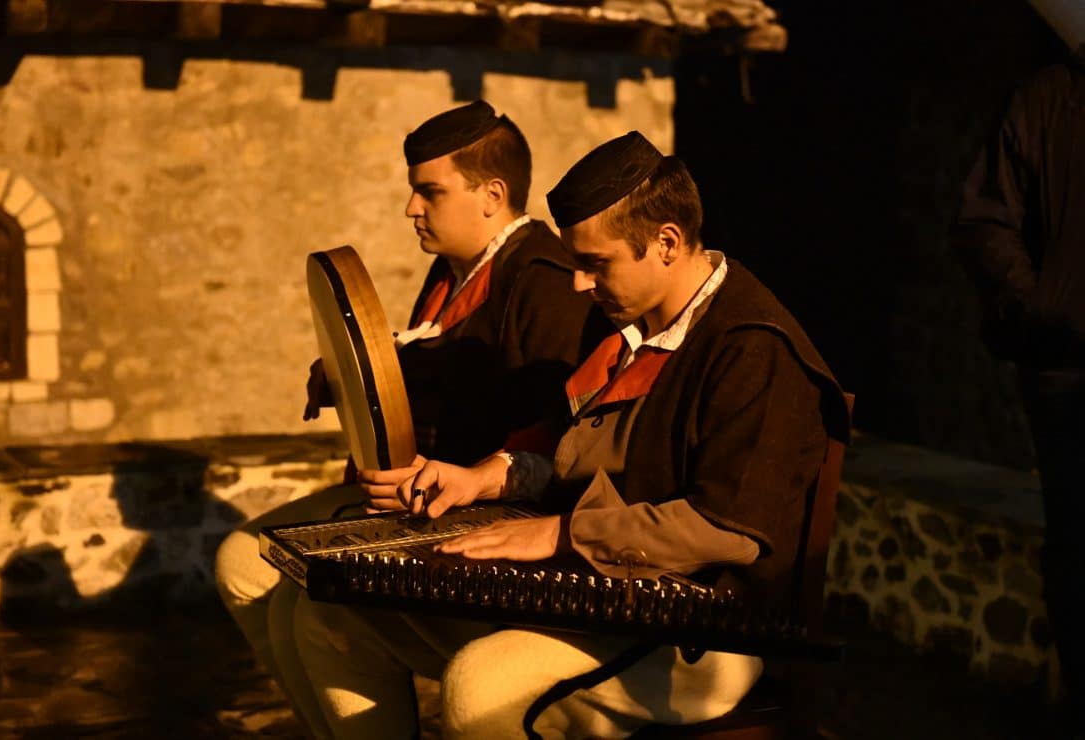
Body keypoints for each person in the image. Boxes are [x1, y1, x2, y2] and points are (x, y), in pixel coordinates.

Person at [286, 132, 850, 739]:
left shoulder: (753, 350)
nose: (578, 283)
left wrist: (559, 533)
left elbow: (725, 530)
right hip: (596, 596)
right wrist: (483, 478)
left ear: (666, 242)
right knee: (333, 619)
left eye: (595, 264)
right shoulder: (626, 325)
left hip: (699, 631)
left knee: (481, 686)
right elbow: (571, 452)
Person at [214, 101, 603, 736]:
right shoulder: (452, 272)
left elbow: (551, 426)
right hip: (415, 490)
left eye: (430, 192)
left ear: (492, 195)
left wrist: (461, 478)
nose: (410, 208)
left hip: (479, 508)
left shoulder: (543, 278)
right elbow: (432, 374)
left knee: (297, 599)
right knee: (248, 565)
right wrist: (351, 377)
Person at [953, 45, 1085, 737]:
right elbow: (985, 217)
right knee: (1078, 548)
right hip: (1070, 369)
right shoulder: (1046, 98)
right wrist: (1042, 310)